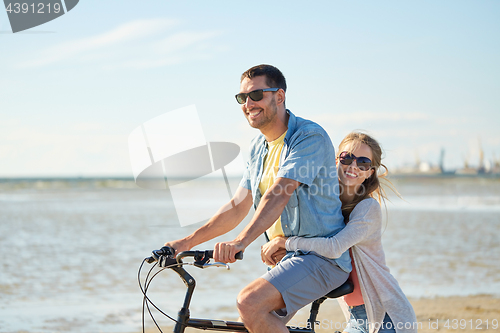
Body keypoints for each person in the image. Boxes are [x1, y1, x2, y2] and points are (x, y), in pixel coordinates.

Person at [163, 64, 352, 333]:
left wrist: (241, 242)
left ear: (279, 96)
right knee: (253, 323)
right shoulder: (257, 147)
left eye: (256, 95)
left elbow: (280, 191)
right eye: (242, 98)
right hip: (286, 257)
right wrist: (185, 242)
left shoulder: (308, 137)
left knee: (249, 303)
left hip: (322, 259)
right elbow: (239, 205)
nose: (248, 103)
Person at [261, 132, 418, 333]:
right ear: (336, 160)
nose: (353, 166)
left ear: (370, 172)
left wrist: (286, 242)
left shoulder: (367, 208)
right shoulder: (325, 206)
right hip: (355, 317)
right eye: (347, 158)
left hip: (386, 317)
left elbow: (334, 248)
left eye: (363, 162)